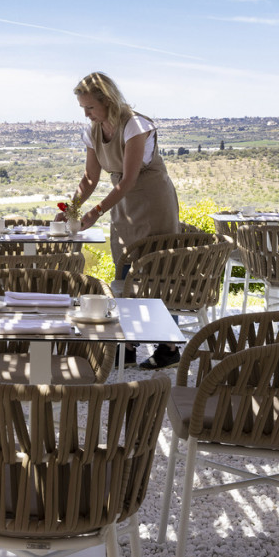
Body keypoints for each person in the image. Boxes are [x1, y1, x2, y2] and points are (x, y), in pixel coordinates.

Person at [65, 72, 181, 369]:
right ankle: (128, 344)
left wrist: (96, 211)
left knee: (158, 271)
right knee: (125, 268)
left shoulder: (135, 125)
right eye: (83, 108)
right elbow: (90, 178)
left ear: (107, 100)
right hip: (123, 202)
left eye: (90, 107)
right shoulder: (93, 131)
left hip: (152, 200)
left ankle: (168, 347)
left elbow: (129, 178)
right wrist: (72, 209)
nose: (86, 114)